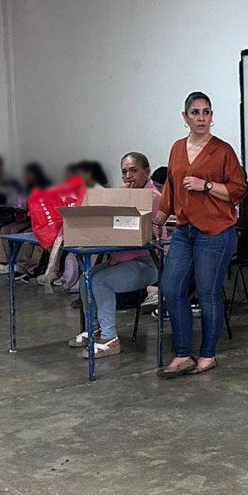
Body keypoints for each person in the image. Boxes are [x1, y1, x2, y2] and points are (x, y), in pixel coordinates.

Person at [151, 92, 247, 377]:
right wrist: (159, 217)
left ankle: (207, 355)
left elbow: (238, 190)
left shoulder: (223, 150)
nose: (201, 118)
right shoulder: (177, 148)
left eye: (206, 112)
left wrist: (206, 185)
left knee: (207, 292)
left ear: (212, 116)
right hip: (184, 230)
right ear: (185, 117)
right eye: (195, 112)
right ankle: (183, 354)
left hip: (216, 232)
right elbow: (171, 187)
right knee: (171, 288)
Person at [71, 152, 163, 359]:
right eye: (124, 172)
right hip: (121, 259)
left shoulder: (153, 197)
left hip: (148, 262)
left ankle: (110, 337)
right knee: (86, 278)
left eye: (133, 171)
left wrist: (119, 199)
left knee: (101, 281)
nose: (128, 176)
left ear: (146, 172)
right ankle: (94, 329)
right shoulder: (124, 195)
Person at [0, 163, 52, 276]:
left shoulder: (43, 189)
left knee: (17, 231)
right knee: (4, 229)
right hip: (25, 218)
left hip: (38, 221)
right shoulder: (24, 188)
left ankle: (21, 265)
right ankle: (3, 263)